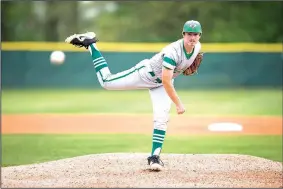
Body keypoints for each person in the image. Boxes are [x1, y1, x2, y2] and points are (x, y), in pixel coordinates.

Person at [65, 20, 203, 171]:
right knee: (106, 82)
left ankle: (154, 157)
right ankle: (91, 44)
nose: (192, 38)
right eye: (189, 34)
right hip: (145, 74)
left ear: (199, 36)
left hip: (160, 84)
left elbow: (169, 77)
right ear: (183, 34)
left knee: (161, 117)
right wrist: (178, 103)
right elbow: (166, 81)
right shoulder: (172, 52)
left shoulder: (197, 48)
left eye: (195, 34)